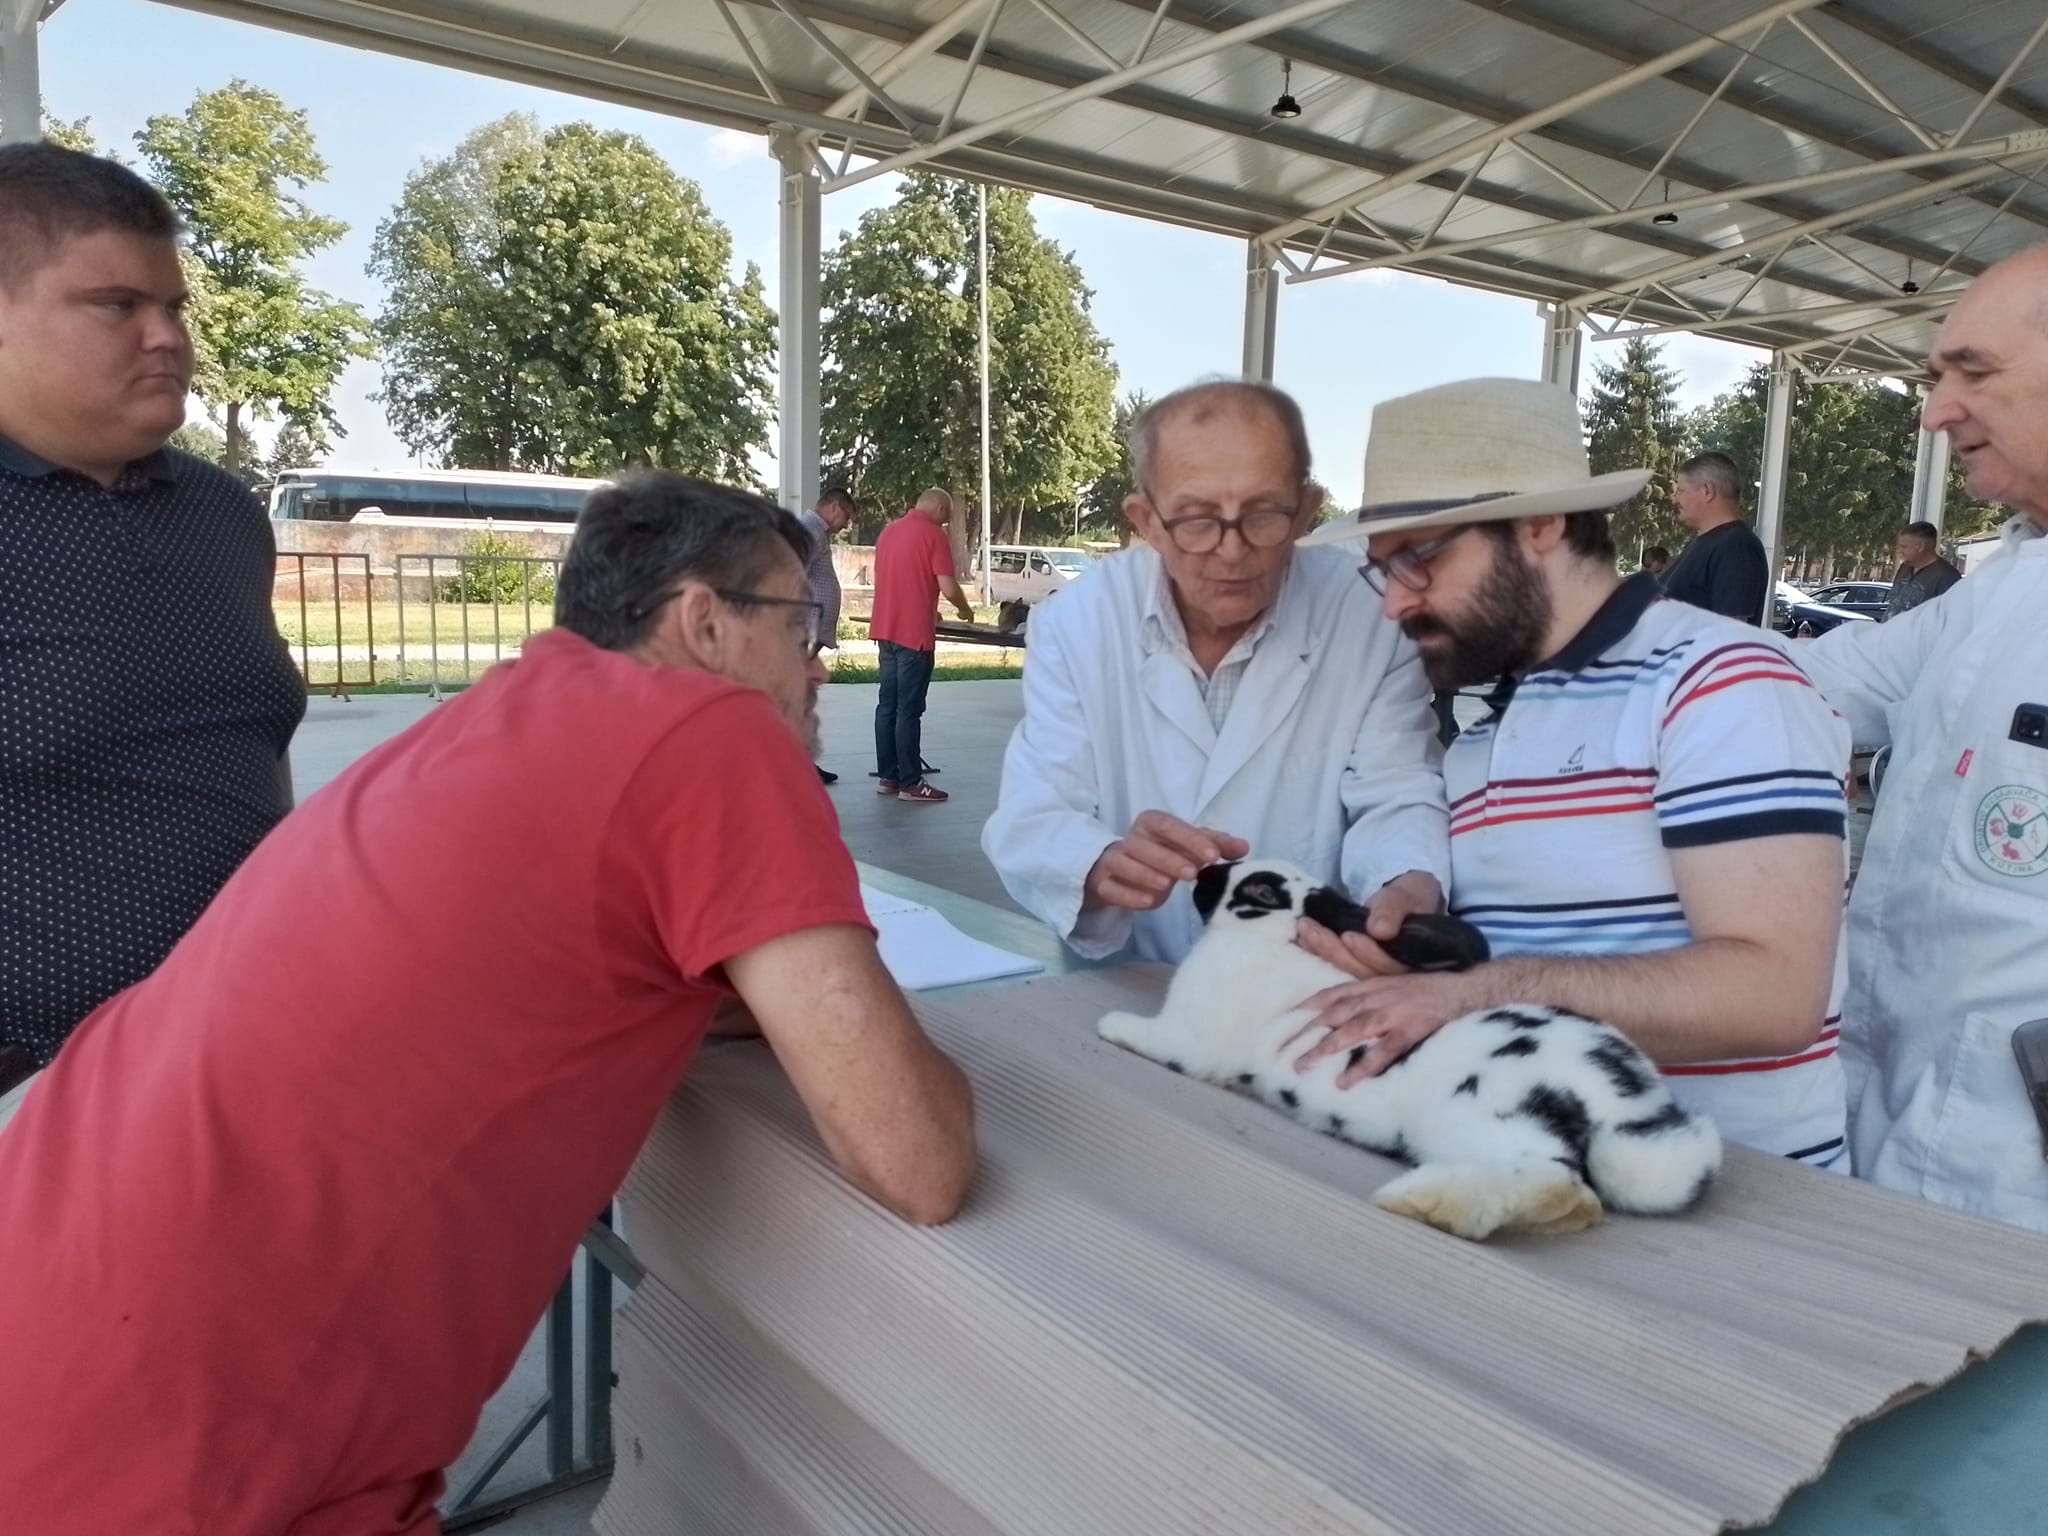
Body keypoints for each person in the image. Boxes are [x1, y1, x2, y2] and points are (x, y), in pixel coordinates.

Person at [0, 473, 978, 1534]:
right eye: (801, 624)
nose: (819, 662)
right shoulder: (711, 730)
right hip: (183, 1448)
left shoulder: (499, 714)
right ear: (704, 622)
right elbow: (915, 1158)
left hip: (62, 1277)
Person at [1294, 378, 1851, 1169]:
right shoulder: (1483, 733)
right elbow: (1539, 961)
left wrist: (1469, 995)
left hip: (1736, 1197)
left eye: (1418, 558)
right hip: (1538, 1178)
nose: (1394, 605)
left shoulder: (1720, 681)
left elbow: (1775, 996)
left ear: (1541, 523)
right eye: (1382, 571)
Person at [0, 142, 303, 1097]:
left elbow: (254, 748)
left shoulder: (223, 513)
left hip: (242, 1053)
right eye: (117, 305)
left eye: (174, 307)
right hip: (31, 1095)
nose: (166, 337)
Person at [983, 380, 1448, 964]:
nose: (1231, 551)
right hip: (1131, 976)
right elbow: (1035, 810)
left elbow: (1397, 790)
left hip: (1308, 979)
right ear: (1147, 521)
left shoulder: (1369, 618)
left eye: (1264, 514)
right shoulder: (1078, 622)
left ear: (1306, 510)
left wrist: (1405, 881)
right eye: (1197, 520)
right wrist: (1096, 862)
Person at [1796, 245, 2048, 1231]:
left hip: (2011, 1199)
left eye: (1971, 372)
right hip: (1889, 1143)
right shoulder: (2000, 590)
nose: (1935, 411)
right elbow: (1814, 682)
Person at [871, 486, 973, 804]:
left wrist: (927, 605)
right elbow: (947, 585)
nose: (947, 521)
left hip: (885, 629)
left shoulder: (888, 532)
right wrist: (965, 609)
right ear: (940, 509)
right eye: (948, 515)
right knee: (909, 709)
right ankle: (912, 783)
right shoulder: (933, 535)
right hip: (914, 636)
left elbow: (897, 581)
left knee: (887, 706)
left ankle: (889, 776)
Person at [1659, 451, 1770, 624]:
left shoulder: (1736, 548)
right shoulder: (1708, 543)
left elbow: (1732, 630)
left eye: (1680, 490)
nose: (1674, 499)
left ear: (1707, 491)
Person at [797, 484, 856, 782]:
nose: (845, 525)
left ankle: (802, 761)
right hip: (804, 630)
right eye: (846, 517)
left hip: (810, 630)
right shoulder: (810, 529)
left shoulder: (814, 531)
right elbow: (793, 576)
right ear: (834, 507)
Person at [1883, 519, 1961, 619]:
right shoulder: (1905, 567)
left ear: (1920, 547)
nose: (1899, 551)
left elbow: (1951, 616)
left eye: (1904, 547)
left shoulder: (1947, 576)